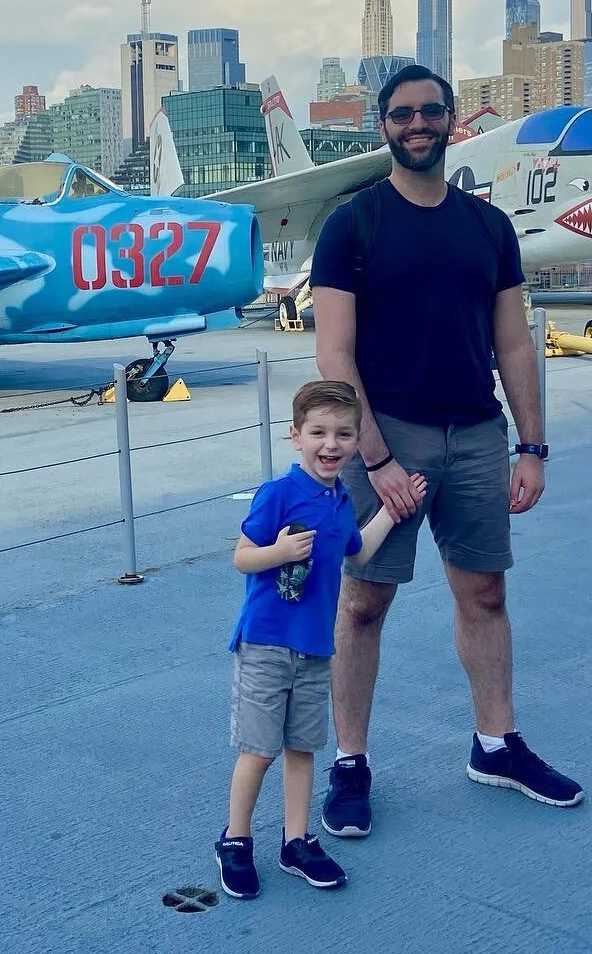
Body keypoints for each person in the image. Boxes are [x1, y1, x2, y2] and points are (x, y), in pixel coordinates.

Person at [309, 63, 583, 843]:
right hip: (387, 435)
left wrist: (530, 445)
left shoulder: (487, 228)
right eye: (402, 114)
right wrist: (378, 459)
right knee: (363, 602)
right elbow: (336, 354)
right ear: (383, 125)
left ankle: (496, 744)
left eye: (431, 112)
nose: (417, 124)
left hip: (475, 436)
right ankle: (352, 763)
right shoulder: (353, 225)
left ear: (451, 121)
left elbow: (512, 346)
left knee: (485, 595)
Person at [215, 380, 426, 900]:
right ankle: (236, 840)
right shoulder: (278, 495)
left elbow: (356, 552)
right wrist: (279, 552)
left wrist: (392, 512)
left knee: (303, 748)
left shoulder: (339, 500)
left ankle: (296, 840)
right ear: (295, 436)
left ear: (356, 442)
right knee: (259, 750)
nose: (330, 445)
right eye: (318, 433)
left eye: (342, 434)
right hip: (265, 644)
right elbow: (242, 556)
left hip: (314, 649)